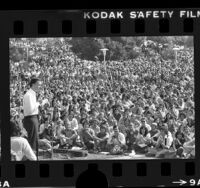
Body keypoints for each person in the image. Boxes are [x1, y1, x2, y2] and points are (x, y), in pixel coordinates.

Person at [23, 78, 41, 156]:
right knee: (32, 141)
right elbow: (30, 110)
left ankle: (34, 158)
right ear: (33, 84)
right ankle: (31, 160)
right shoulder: (29, 95)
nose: (39, 86)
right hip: (31, 118)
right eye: (38, 84)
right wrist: (38, 103)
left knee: (34, 140)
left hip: (33, 118)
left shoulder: (32, 94)